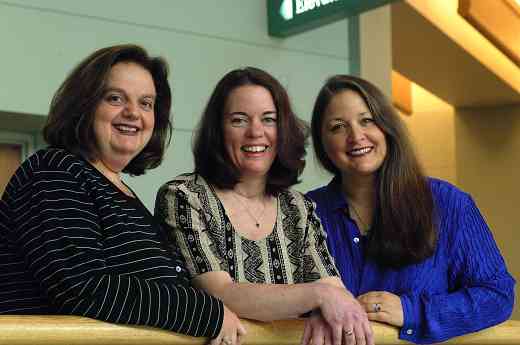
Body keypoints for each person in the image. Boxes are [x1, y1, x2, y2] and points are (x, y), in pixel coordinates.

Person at [0, 44, 245, 345]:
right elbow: (83, 287)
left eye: (146, 103)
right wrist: (208, 313)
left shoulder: (122, 192)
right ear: (84, 105)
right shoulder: (55, 171)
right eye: (115, 98)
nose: (133, 113)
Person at [155, 67, 374, 345]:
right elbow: (220, 293)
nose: (255, 132)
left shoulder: (298, 207)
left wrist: (326, 305)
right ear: (218, 130)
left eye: (268, 119)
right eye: (239, 120)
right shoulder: (186, 197)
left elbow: (336, 292)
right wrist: (318, 297)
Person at [306, 74, 515, 344]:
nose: (356, 136)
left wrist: (412, 311)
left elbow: (498, 295)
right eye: (338, 127)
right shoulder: (305, 212)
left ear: (387, 127)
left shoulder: (447, 204)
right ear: (323, 143)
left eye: (367, 120)